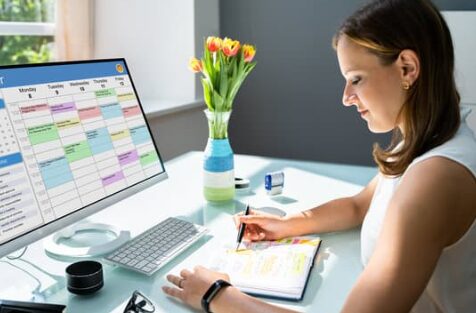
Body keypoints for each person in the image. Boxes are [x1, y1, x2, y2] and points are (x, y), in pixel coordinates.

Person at [162, 0, 476, 312]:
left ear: (407, 68)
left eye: (356, 79)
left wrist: (216, 294)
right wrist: (286, 225)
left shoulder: (435, 178)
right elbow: (359, 205)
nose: (346, 98)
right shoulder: (427, 139)